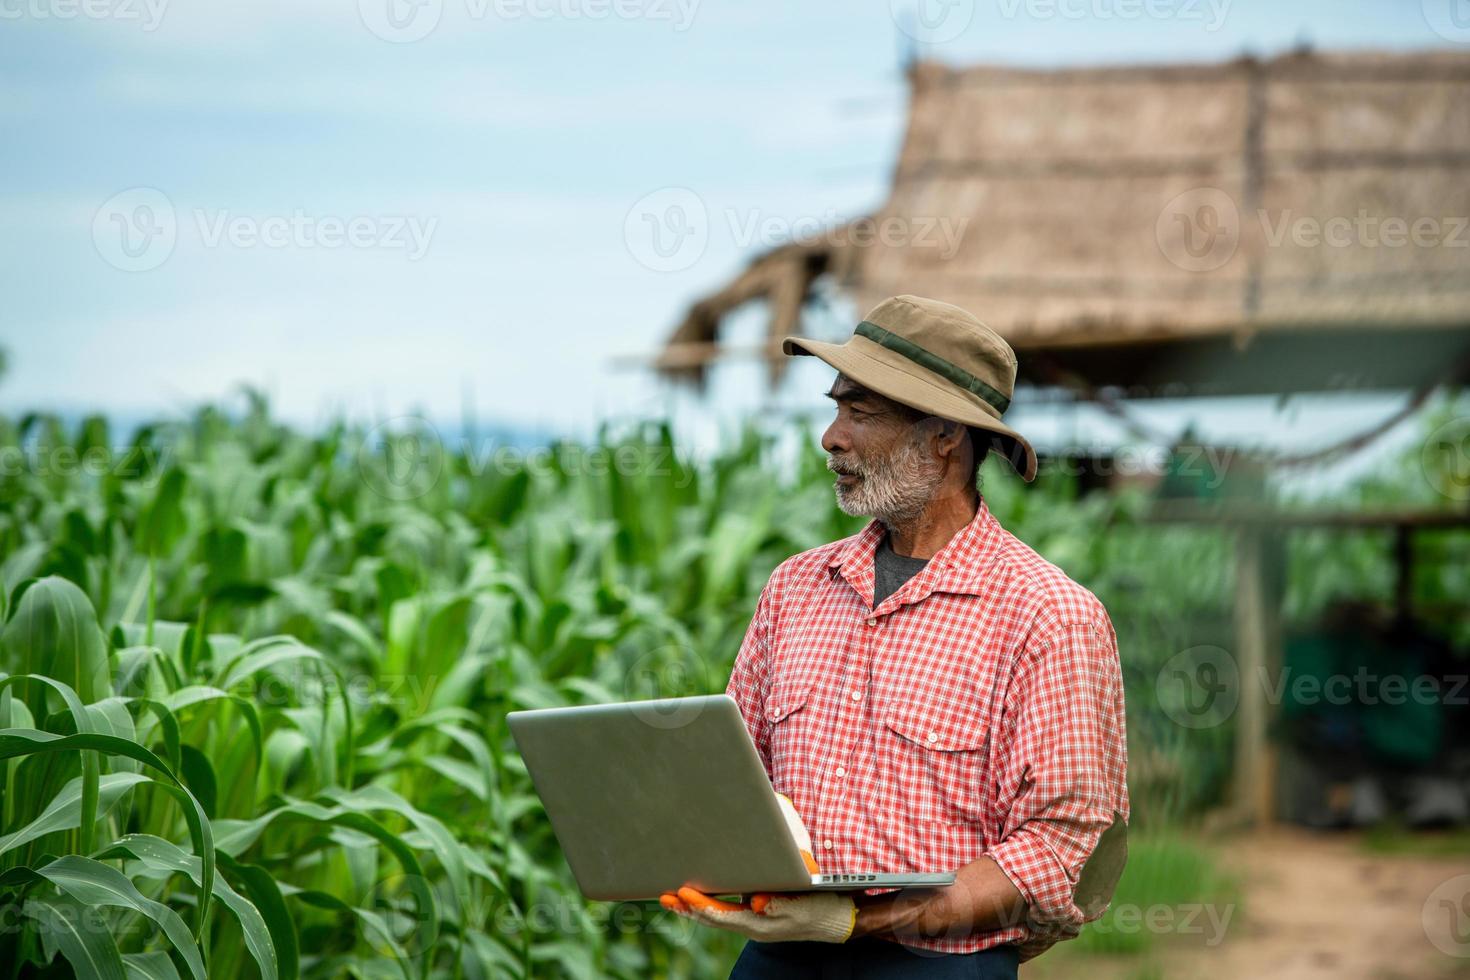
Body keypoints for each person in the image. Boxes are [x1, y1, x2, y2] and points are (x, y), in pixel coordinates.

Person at [660, 296, 1130, 977]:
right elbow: (739, 779)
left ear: (943, 435)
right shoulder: (795, 589)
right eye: (835, 408)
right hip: (778, 958)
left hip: (933, 967)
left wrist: (857, 920)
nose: (831, 436)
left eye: (859, 412)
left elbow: (1062, 849)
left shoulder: (1048, 616)